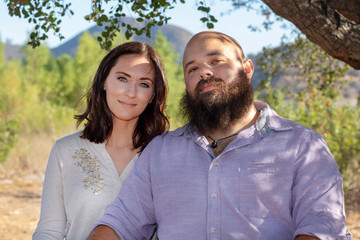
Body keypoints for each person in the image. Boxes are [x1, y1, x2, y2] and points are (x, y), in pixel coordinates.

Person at [87, 31, 352, 240]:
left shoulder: (302, 146)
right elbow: (122, 222)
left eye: (216, 61)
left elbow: (322, 226)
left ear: (247, 70)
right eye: (192, 69)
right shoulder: (160, 152)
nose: (204, 72)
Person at [32, 41, 169, 240]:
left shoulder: (166, 154)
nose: (131, 92)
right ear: (104, 81)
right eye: (122, 78)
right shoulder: (66, 150)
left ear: (153, 95)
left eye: (144, 83)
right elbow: (49, 231)